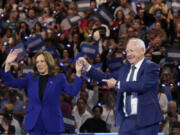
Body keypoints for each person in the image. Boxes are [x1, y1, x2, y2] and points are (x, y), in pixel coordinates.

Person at [78, 38, 163, 135]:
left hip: (146, 120)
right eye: (127, 51)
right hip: (128, 121)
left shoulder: (151, 67)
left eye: (132, 50)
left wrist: (118, 84)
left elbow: (141, 85)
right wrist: (88, 67)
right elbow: (106, 78)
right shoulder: (125, 68)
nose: (129, 54)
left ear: (142, 51)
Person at [0, 50, 84, 135]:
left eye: (42, 61)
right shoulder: (30, 78)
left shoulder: (59, 78)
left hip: (52, 123)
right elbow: (11, 82)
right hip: (34, 123)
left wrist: (78, 73)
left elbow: (73, 91)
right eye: (37, 62)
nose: (39, 64)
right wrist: (7, 63)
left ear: (48, 62)